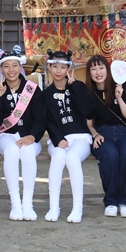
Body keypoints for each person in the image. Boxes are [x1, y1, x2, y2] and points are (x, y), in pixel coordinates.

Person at [0, 46, 46, 221]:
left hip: (29, 135)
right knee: (12, 150)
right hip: (5, 136)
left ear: (20, 67)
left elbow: (41, 118)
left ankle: (27, 203)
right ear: (1, 68)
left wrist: (33, 136)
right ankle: (15, 203)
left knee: (28, 151)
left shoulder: (32, 89)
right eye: (6, 66)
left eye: (15, 65)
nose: (11, 70)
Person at [85, 54, 126, 218]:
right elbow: (88, 124)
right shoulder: (88, 93)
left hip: (124, 131)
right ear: (89, 72)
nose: (98, 72)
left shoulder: (122, 85)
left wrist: (119, 97)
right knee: (110, 156)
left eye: (101, 68)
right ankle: (111, 201)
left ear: (107, 69)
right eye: (93, 69)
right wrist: (95, 135)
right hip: (102, 132)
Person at [42, 50, 94, 223]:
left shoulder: (79, 87)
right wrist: (58, 139)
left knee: (72, 157)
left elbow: (88, 112)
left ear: (68, 69)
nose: (58, 71)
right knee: (58, 156)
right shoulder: (46, 93)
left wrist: (74, 88)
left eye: (62, 67)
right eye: (55, 66)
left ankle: (77, 207)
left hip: (80, 137)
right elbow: (47, 120)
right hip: (58, 138)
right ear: (49, 68)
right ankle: (53, 207)